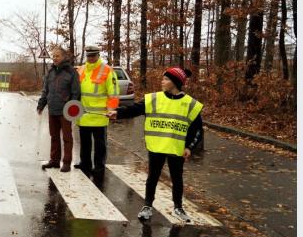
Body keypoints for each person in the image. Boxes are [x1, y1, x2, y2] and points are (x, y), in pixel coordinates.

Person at [107, 67, 203, 222]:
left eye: (166, 79)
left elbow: (196, 129)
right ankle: (147, 206)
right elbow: (135, 109)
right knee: (152, 177)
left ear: (175, 82)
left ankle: (178, 207)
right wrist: (118, 113)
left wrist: (189, 147)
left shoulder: (190, 104)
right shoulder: (154, 98)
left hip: (176, 148)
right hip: (156, 146)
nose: (162, 81)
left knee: (177, 178)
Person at [74, 45, 119, 180]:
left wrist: (111, 110)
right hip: (83, 114)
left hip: (100, 116)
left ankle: (99, 167)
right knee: (85, 143)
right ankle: (85, 163)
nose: (91, 58)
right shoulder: (81, 69)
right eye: (88, 55)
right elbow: (75, 91)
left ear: (98, 55)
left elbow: (113, 93)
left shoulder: (107, 70)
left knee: (100, 145)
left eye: (93, 55)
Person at [37, 47, 80, 172]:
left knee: (67, 137)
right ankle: (54, 161)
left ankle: (66, 162)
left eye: (57, 56)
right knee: (54, 136)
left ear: (63, 57)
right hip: (52, 109)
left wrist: (71, 108)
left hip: (65, 111)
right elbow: (45, 90)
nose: (55, 58)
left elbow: (76, 92)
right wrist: (41, 105)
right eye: (53, 56)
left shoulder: (71, 72)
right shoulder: (50, 72)